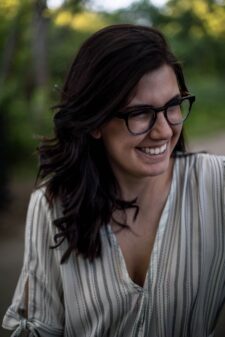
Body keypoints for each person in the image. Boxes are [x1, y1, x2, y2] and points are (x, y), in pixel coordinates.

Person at [2, 24, 225, 337]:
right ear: (95, 122)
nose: (163, 130)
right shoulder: (53, 206)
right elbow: (38, 328)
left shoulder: (218, 186)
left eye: (173, 106)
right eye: (140, 113)